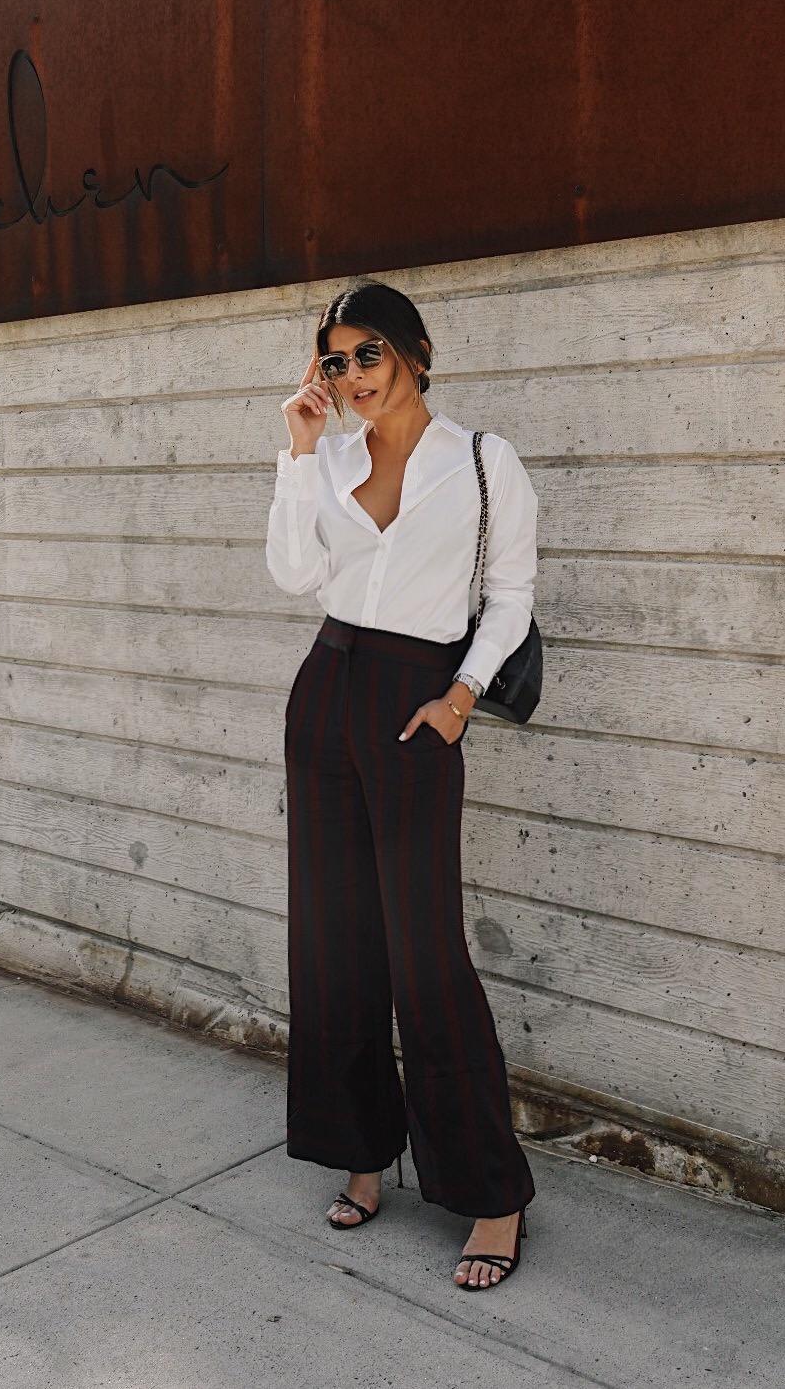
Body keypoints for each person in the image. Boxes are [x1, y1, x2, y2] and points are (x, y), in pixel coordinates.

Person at [265, 279, 538, 1292]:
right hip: (326, 687)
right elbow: (294, 575)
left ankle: (489, 1191)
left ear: (418, 350)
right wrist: (298, 450)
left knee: (426, 955)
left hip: (418, 698)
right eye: (333, 361)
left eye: (366, 353)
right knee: (334, 944)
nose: (350, 377)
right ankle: (363, 1154)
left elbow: (510, 595)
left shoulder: (482, 461)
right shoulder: (324, 455)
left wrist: (461, 698)